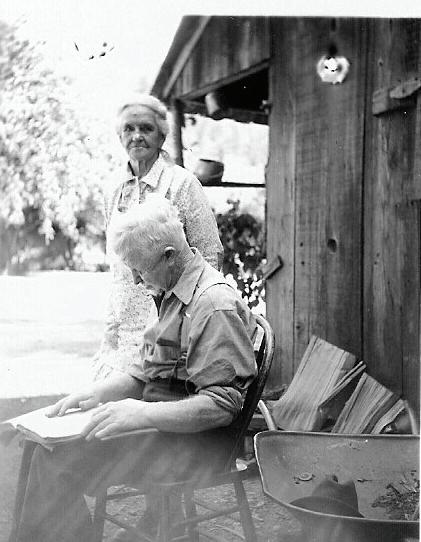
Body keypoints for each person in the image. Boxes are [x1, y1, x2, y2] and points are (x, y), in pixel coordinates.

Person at [13, 195, 257, 542]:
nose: (138, 281)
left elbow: (222, 405)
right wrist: (97, 393)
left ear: (169, 256)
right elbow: (151, 371)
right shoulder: (174, 287)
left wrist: (140, 413)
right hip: (165, 429)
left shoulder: (213, 305)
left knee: (56, 462)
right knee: (41, 446)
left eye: (140, 270)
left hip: (196, 446)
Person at [94, 93, 223, 379]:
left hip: (169, 328)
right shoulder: (112, 189)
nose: (137, 136)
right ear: (119, 136)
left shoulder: (183, 184)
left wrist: (189, 325)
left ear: (162, 135)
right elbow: (117, 267)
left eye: (146, 128)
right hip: (122, 330)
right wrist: (111, 332)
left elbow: (210, 258)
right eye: (129, 128)